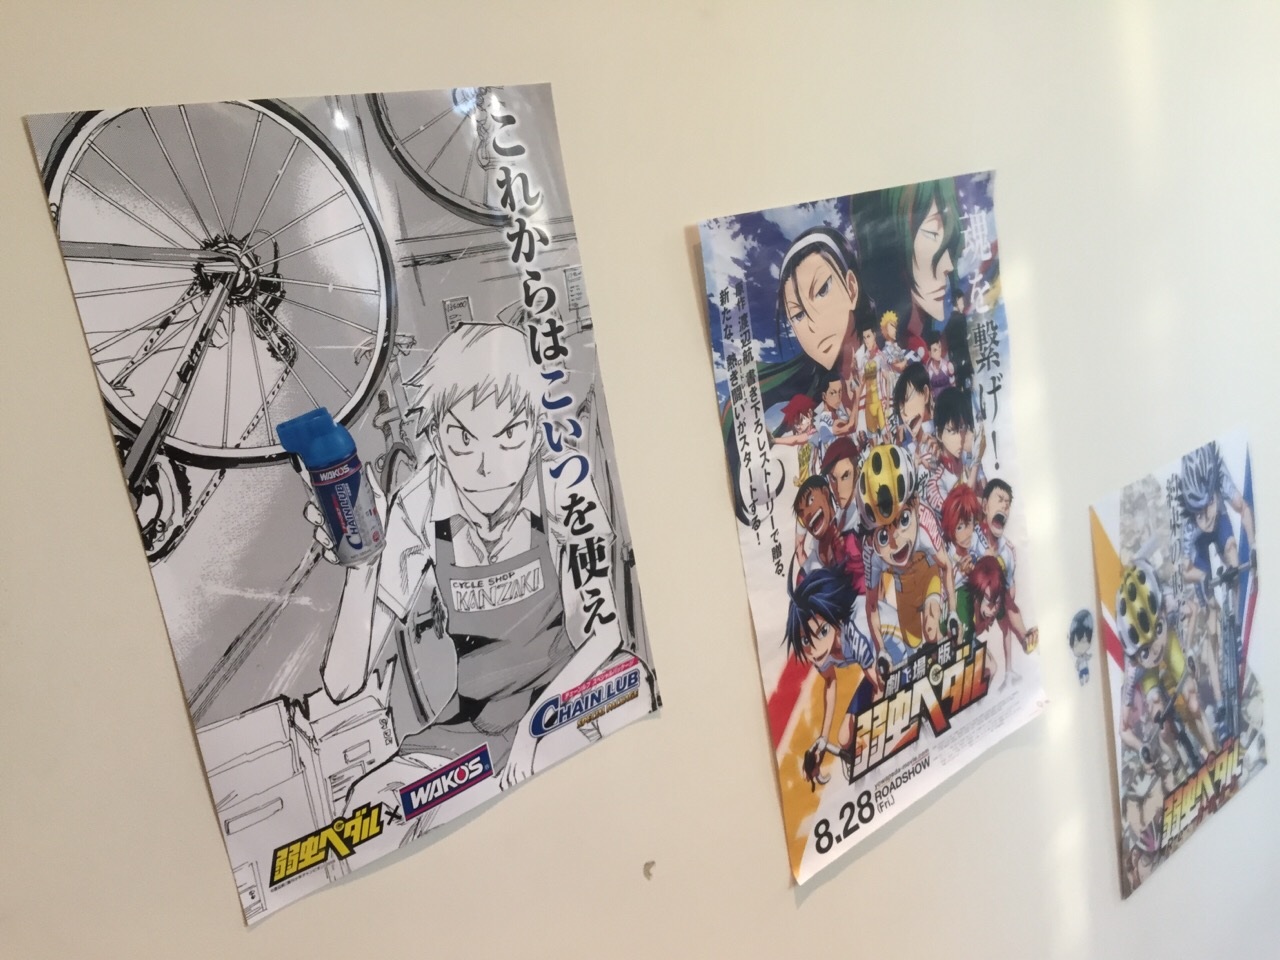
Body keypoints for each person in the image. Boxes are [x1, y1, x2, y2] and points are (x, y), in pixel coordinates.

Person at [312, 322, 627, 819]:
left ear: (534, 431)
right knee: (368, 807)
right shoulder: (418, 503)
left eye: (509, 435)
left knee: (628, 699)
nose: (485, 465)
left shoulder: (562, 483)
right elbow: (342, 684)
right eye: (462, 438)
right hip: (472, 726)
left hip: (567, 693)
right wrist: (362, 568)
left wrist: (536, 728)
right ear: (436, 436)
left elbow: (604, 634)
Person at [856, 443, 956, 671]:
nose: (896, 541)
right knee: (913, 644)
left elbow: (946, 566)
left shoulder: (924, 520)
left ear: (916, 504)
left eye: (903, 521)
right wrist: (880, 650)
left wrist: (952, 612)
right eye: (883, 536)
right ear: (871, 535)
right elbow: (871, 606)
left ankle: (947, 661)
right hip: (905, 594)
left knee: (931, 630)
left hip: (929, 576)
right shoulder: (871, 551)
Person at [1115, 560, 1217, 770]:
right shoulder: (1133, 667)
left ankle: (1214, 750)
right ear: (1134, 654)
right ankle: (1179, 766)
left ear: (1161, 611)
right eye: (1145, 650)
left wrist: (1188, 649)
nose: (1153, 650)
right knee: (1162, 726)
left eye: (1157, 630)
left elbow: (1192, 609)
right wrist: (1141, 748)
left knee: (1193, 702)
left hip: (1169, 644)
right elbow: (1122, 729)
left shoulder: (1167, 603)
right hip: (1147, 671)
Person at [786, 568, 877, 783]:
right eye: (806, 641)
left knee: (865, 735)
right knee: (844, 738)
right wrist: (824, 739)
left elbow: (880, 686)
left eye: (822, 632)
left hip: (897, 656)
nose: (814, 649)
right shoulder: (819, 650)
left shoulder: (855, 633)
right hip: (876, 672)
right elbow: (829, 681)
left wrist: (870, 730)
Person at [967, 555, 1037, 690]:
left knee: (991, 668)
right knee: (990, 668)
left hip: (970, 640)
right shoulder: (967, 605)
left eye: (996, 602)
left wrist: (1008, 670)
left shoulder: (997, 601)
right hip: (958, 641)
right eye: (988, 600)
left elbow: (1006, 631)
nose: (992, 609)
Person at [924, 386, 985, 514]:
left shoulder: (967, 458)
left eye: (962, 428)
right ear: (939, 434)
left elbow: (985, 497)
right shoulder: (936, 484)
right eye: (952, 431)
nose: (960, 437)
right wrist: (976, 462)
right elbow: (960, 515)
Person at [924, 329, 954, 399]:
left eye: (939, 347)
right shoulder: (927, 370)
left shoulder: (948, 366)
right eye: (935, 350)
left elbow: (953, 386)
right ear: (929, 352)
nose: (938, 352)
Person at [1069, 609, 1094, 685]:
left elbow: (1088, 657)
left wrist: (1090, 656)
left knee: (1086, 673)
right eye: (1075, 643)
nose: (1079, 648)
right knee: (1081, 675)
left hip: (1085, 668)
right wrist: (1077, 667)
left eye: (1083, 641)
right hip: (1081, 668)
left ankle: (1085, 679)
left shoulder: (1084, 655)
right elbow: (1077, 664)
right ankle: (1081, 680)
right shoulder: (1079, 659)